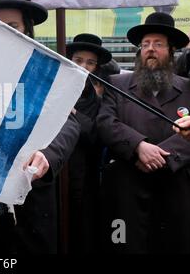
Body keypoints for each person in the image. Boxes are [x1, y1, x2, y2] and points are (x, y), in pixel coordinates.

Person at [0, 0, 80, 254]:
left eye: (12, 25)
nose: (5, 32)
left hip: (34, 200)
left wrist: (47, 154)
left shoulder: (51, 72)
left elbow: (71, 123)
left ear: (27, 30)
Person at [97, 12, 190, 253]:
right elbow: (106, 122)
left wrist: (162, 156)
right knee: (124, 244)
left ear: (171, 51)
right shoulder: (117, 84)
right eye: (146, 44)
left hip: (176, 188)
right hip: (128, 187)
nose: (150, 49)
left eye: (158, 44)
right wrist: (139, 146)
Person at [65, 33, 112, 253]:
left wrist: (73, 113)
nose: (83, 66)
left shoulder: (101, 98)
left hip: (86, 176)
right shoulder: (56, 87)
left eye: (90, 62)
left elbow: (98, 134)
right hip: (59, 174)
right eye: (78, 60)